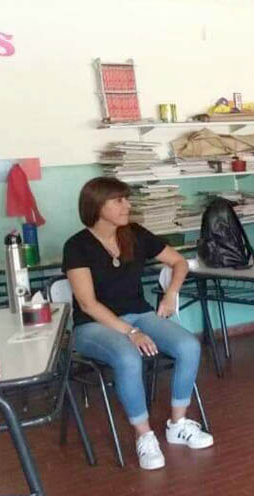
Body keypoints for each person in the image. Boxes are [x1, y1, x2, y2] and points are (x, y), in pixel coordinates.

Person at [63, 177, 212, 471]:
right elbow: (87, 305)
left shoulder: (135, 234)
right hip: (93, 326)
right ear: (97, 205)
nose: (127, 205)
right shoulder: (77, 246)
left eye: (126, 199)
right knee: (128, 357)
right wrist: (131, 332)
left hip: (139, 314)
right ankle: (144, 436)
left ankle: (178, 423)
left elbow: (179, 262)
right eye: (119, 200)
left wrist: (171, 294)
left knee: (188, 346)